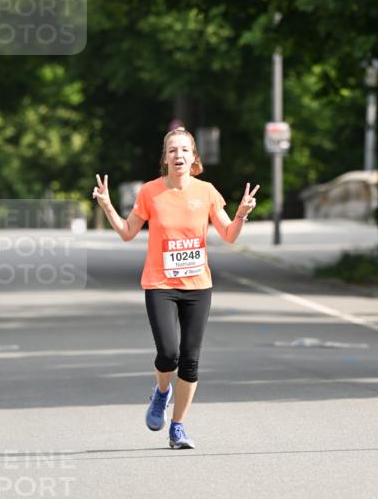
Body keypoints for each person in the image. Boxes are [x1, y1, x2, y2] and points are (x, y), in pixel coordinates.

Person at [92, 126, 259, 450]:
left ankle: (178, 427)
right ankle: (161, 393)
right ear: (165, 158)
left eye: (184, 150)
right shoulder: (150, 192)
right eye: (172, 150)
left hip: (198, 285)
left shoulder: (207, 191)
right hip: (160, 283)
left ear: (193, 157)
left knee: (191, 360)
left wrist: (240, 215)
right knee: (168, 353)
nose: (178, 155)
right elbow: (128, 232)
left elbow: (229, 234)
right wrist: (107, 206)